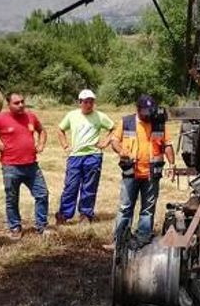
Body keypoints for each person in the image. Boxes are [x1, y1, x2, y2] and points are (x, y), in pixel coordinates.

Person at [109, 94, 176, 248]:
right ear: (138, 109)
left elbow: (167, 145)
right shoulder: (126, 122)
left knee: (148, 209)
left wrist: (172, 164)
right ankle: (119, 241)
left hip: (152, 174)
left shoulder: (159, 123)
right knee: (125, 207)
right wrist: (121, 151)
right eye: (145, 112)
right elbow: (114, 141)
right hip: (130, 172)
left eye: (150, 112)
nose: (148, 115)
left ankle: (143, 240)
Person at [0, 92, 50, 239]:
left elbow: (42, 131)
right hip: (11, 166)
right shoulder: (0, 119)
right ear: (9, 105)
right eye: (16, 103)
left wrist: (40, 144)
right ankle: (15, 227)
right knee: (12, 199)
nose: (21, 105)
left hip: (32, 166)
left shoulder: (30, 116)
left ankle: (42, 226)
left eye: (22, 102)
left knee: (42, 194)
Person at [55, 89, 115, 224]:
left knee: (89, 186)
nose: (89, 105)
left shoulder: (100, 116)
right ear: (80, 102)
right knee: (71, 186)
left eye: (91, 102)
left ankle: (85, 214)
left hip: (93, 155)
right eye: (86, 102)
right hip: (75, 156)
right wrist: (65, 146)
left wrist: (105, 142)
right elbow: (60, 129)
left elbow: (113, 129)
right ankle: (64, 215)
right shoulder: (72, 115)